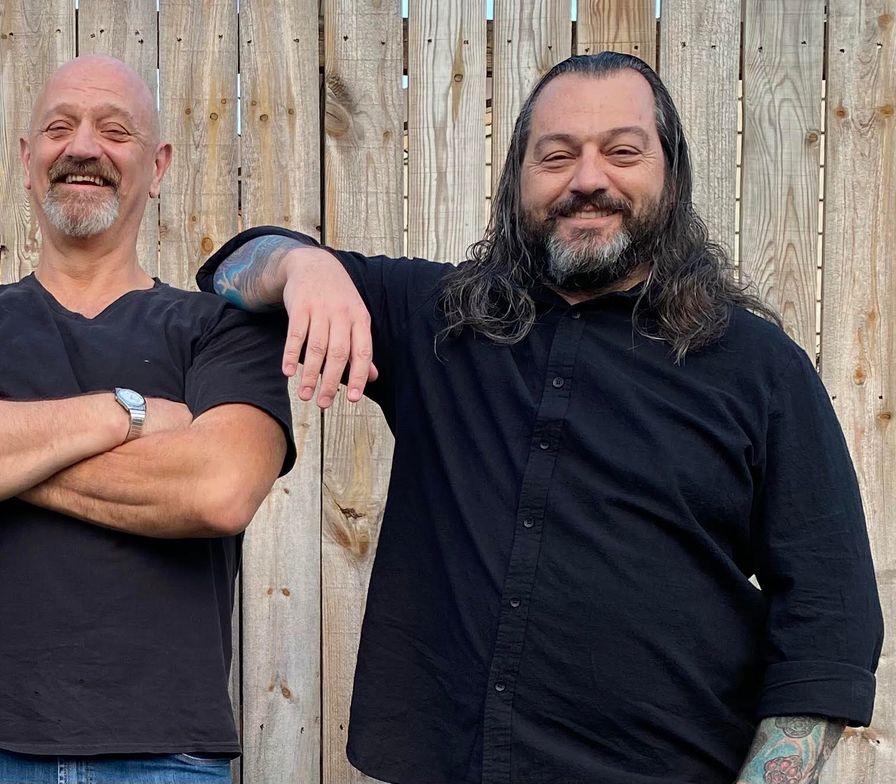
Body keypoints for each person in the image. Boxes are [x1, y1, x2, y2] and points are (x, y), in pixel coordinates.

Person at [202, 51, 882, 784]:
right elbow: (231, 270)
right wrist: (306, 267)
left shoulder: (760, 367)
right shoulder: (441, 319)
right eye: (557, 156)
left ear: (672, 175)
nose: (587, 179)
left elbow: (830, 614)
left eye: (622, 152)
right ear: (517, 181)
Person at [0, 55, 295, 783]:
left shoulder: (220, 327)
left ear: (157, 167)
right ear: (26, 160)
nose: (84, 146)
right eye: (60, 128)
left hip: (168, 758)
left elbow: (219, 489)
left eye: (114, 131)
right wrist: (128, 415)